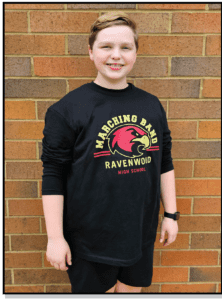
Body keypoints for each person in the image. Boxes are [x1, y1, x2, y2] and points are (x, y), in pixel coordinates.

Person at [41, 11, 179, 294]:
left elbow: (164, 161)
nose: (116, 56)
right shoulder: (67, 109)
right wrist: (55, 237)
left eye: (125, 48)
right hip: (90, 238)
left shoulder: (151, 105)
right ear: (91, 51)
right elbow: (54, 174)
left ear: (135, 54)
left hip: (139, 232)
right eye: (106, 47)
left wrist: (171, 214)